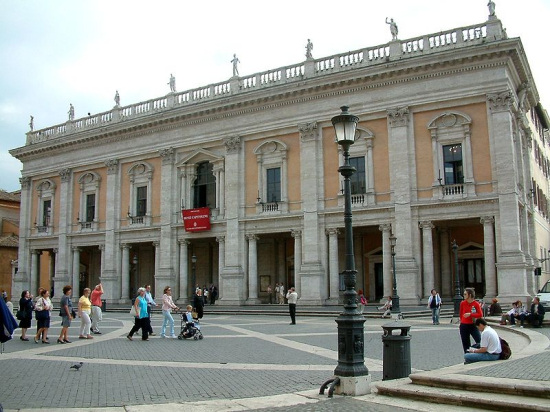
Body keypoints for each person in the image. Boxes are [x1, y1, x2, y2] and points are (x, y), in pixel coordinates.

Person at [459, 288, 483, 353]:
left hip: (473, 325)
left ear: (469, 295)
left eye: (465, 294)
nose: (463, 295)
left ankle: (480, 352)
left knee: (479, 340)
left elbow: (480, 314)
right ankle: (467, 357)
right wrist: (462, 321)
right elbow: (461, 314)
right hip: (464, 325)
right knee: (465, 343)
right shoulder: (462, 303)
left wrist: (470, 314)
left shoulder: (476, 304)